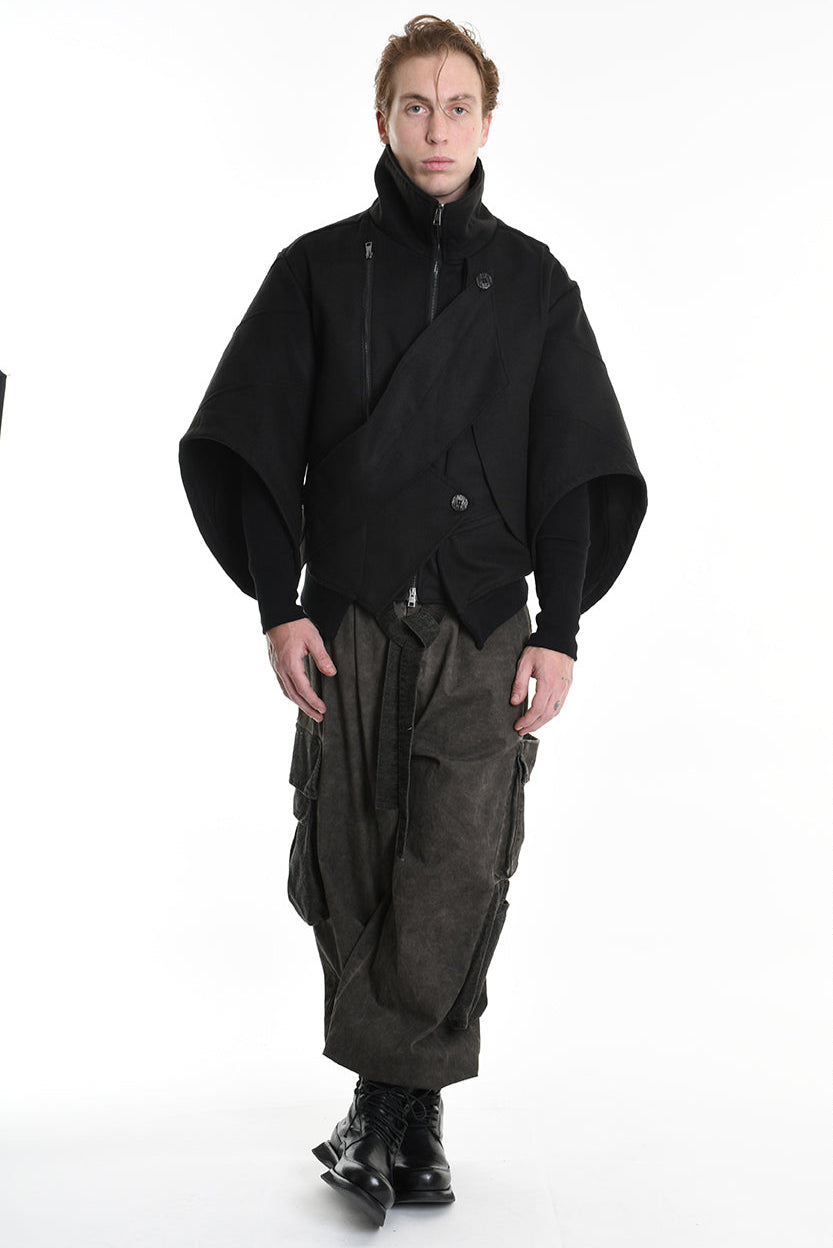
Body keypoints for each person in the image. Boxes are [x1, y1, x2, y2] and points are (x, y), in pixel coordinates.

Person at [179, 14, 647, 1228]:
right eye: (414, 106)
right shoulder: (314, 271)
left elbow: (573, 465)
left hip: (482, 624)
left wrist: (560, 627)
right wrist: (277, 608)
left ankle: (380, 1114)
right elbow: (249, 443)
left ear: (487, 122)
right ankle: (414, 1120)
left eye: (457, 107)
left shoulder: (534, 285)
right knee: (346, 861)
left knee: (456, 866)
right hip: (346, 621)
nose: (436, 129)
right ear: (381, 119)